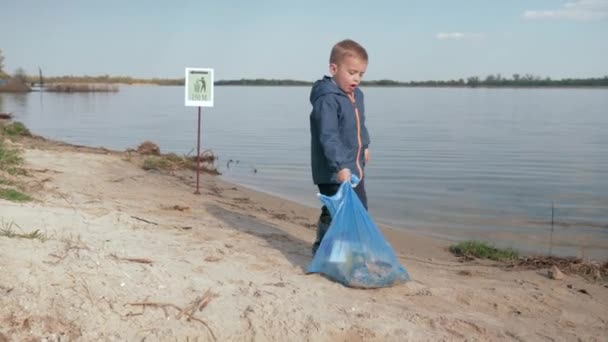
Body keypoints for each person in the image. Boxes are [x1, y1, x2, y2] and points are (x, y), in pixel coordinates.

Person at [309, 39, 371, 256]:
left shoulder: (357, 96)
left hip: (354, 168)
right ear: (334, 69)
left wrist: (365, 145)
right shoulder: (327, 99)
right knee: (340, 212)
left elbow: (359, 124)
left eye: (361, 74)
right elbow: (328, 136)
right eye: (352, 72)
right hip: (333, 171)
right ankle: (330, 254)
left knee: (357, 209)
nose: (356, 78)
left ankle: (337, 252)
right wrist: (340, 166)